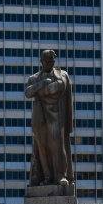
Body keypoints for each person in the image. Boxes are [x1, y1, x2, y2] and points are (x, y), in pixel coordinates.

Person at [24, 49, 75, 189]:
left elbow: (57, 87)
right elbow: (28, 92)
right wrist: (42, 84)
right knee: (42, 147)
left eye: (52, 60)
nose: (49, 63)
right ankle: (47, 176)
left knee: (57, 145)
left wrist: (41, 91)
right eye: (47, 60)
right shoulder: (34, 78)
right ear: (41, 61)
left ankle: (60, 175)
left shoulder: (61, 74)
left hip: (56, 116)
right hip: (39, 117)